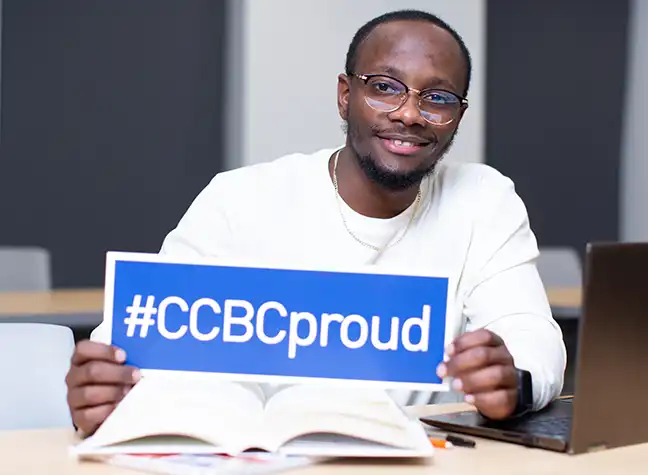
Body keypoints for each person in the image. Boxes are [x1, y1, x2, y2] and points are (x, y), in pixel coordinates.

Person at [66, 9, 566, 436]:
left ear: (457, 116)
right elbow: (142, 346)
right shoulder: (242, 198)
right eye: (385, 88)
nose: (410, 113)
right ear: (346, 95)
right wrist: (105, 389)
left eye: (437, 98)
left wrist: (513, 381)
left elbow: (530, 334)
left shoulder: (482, 199)